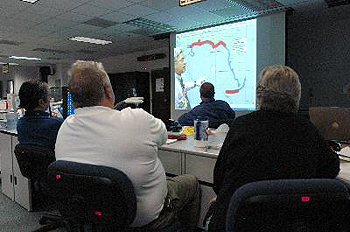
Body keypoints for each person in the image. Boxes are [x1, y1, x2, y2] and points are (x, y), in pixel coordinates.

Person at [55, 60, 200, 231]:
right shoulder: (138, 119)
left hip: (96, 217)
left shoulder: (65, 127)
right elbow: (162, 137)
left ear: (74, 98)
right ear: (108, 90)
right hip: (147, 222)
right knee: (192, 183)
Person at [208, 65, 340, 232]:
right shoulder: (307, 130)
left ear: (260, 95)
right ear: (296, 96)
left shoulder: (241, 126)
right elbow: (331, 168)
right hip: (289, 223)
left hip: (236, 223)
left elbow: (218, 181)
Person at [17, 80, 64, 152]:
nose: (50, 99)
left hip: (31, 163)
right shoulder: (57, 124)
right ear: (42, 102)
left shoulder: (20, 124)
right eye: (49, 97)